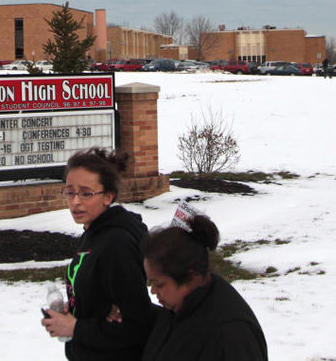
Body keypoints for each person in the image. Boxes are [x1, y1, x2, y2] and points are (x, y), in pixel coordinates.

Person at [41, 147, 153, 360]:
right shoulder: (93, 233)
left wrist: (76, 328)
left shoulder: (117, 244)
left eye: (86, 193)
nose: (75, 201)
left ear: (108, 197)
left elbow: (137, 326)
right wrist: (78, 309)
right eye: (70, 191)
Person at [141, 213, 268, 361]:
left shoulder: (231, 334)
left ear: (191, 277)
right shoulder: (179, 307)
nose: (153, 291)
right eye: (151, 283)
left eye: (159, 284)